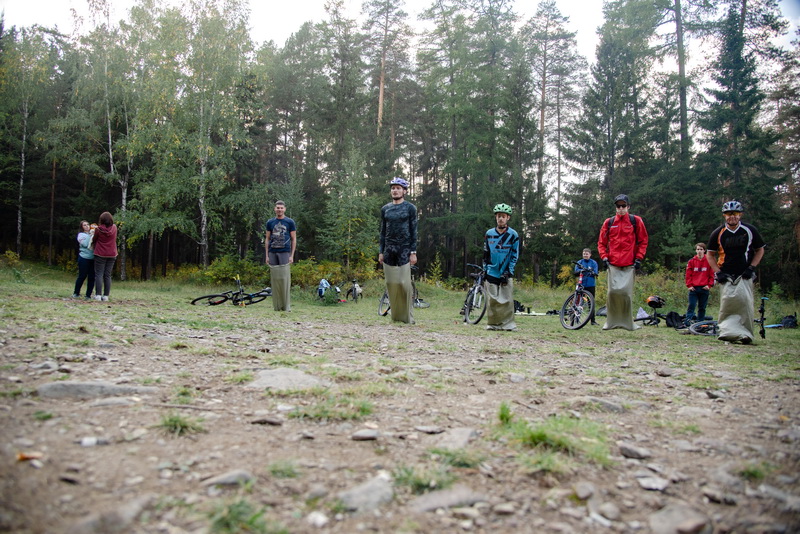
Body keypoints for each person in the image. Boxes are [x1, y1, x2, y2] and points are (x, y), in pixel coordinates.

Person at [706, 201, 765, 344]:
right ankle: (727, 332)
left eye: (735, 214)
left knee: (745, 303)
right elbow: (710, 254)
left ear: (740, 215)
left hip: (744, 272)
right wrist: (718, 272)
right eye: (728, 214)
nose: (732, 217)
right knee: (727, 304)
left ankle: (745, 335)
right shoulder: (718, 233)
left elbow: (760, 250)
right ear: (724, 216)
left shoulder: (749, 230)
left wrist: (752, 267)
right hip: (726, 273)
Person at [597, 194, 649, 330]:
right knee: (612, 293)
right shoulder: (609, 222)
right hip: (613, 263)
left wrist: (639, 258)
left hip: (629, 264)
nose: (620, 208)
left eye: (623, 206)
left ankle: (628, 323)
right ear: (615, 207)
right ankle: (611, 322)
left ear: (628, 207)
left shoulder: (635, 221)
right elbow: (601, 243)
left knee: (625, 294)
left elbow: (643, 241)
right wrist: (604, 257)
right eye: (618, 206)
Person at [379, 177, 418, 324]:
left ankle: (408, 316)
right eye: (393, 188)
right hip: (389, 249)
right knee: (391, 283)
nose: (395, 190)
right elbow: (382, 232)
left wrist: (413, 252)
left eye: (398, 188)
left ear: (404, 191)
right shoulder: (385, 209)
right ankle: (396, 316)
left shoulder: (410, 208)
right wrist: (381, 251)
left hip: (404, 249)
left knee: (404, 284)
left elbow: (414, 230)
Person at [483, 203, 520, 331]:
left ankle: (508, 325)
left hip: (505, 271)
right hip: (492, 270)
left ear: (508, 218)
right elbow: (486, 253)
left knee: (507, 299)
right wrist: (485, 269)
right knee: (492, 300)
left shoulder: (513, 235)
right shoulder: (489, 233)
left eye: (503, 216)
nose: (500, 219)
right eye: (498, 216)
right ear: (495, 217)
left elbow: (515, 254)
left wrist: (509, 271)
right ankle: (493, 324)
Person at [265, 200, 297, 312]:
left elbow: (294, 239)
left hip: (285, 252)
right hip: (273, 252)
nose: (279, 210)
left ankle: (286, 306)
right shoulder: (270, 222)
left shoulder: (290, 222)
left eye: (281, 208)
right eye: (278, 208)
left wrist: (291, 255)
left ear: (284, 209)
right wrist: (267, 255)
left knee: (284, 279)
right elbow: (267, 239)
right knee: (275, 279)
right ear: (275, 209)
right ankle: (277, 306)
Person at [684, 242, 715, 325]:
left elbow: (712, 275)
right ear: (695, 250)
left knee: (702, 307)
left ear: (704, 250)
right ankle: (687, 321)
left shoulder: (708, 261)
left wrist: (709, 285)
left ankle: (700, 323)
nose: (699, 251)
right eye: (698, 249)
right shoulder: (691, 261)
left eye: (701, 249)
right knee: (692, 305)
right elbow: (688, 275)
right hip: (694, 288)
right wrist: (689, 285)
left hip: (704, 287)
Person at [92, 212, 118, 302]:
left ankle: (98, 295)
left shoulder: (98, 229)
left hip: (100, 253)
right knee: (107, 275)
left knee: (99, 274)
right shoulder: (114, 227)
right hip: (112, 254)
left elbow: (94, 239)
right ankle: (106, 296)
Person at [574, 248, 599, 325]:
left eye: (587, 254)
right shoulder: (579, 262)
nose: (585, 255)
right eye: (584, 253)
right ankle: (577, 319)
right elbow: (575, 272)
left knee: (591, 302)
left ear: (590, 255)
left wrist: (592, 272)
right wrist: (580, 271)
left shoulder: (593, 263)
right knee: (579, 302)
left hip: (591, 285)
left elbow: (596, 272)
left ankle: (593, 321)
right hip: (581, 284)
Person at [72, 220, 95, 299]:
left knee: (92, 277)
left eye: (88, 224)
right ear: (82, 227)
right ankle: (76, 293)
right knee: (82, 276)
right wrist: (91, 236)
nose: (87, 226)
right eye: (84, 225)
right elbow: (85, 244)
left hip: (93, 258)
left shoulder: (93, 233)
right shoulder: (81, 235)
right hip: (84, 258)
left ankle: (88, 295)